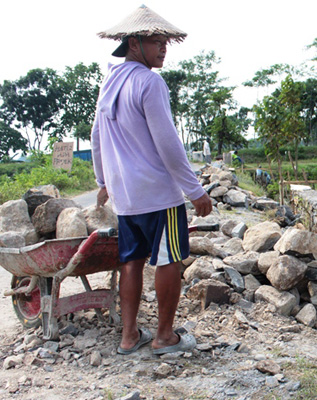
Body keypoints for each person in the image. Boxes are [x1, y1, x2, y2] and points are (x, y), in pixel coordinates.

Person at [92, 5, 212, 355]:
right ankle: (163, 337)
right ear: (133, 44)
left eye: (165, 41)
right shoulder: (150, 82)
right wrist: (194, 190)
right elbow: (168, 143)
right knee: (168, 259)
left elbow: (97, 135)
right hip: (160, 196)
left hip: (126, 198)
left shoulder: (109, 82)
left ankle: (129, 337)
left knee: (132, 261)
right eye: (156, 42)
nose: (163, 48)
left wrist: (103, 180)